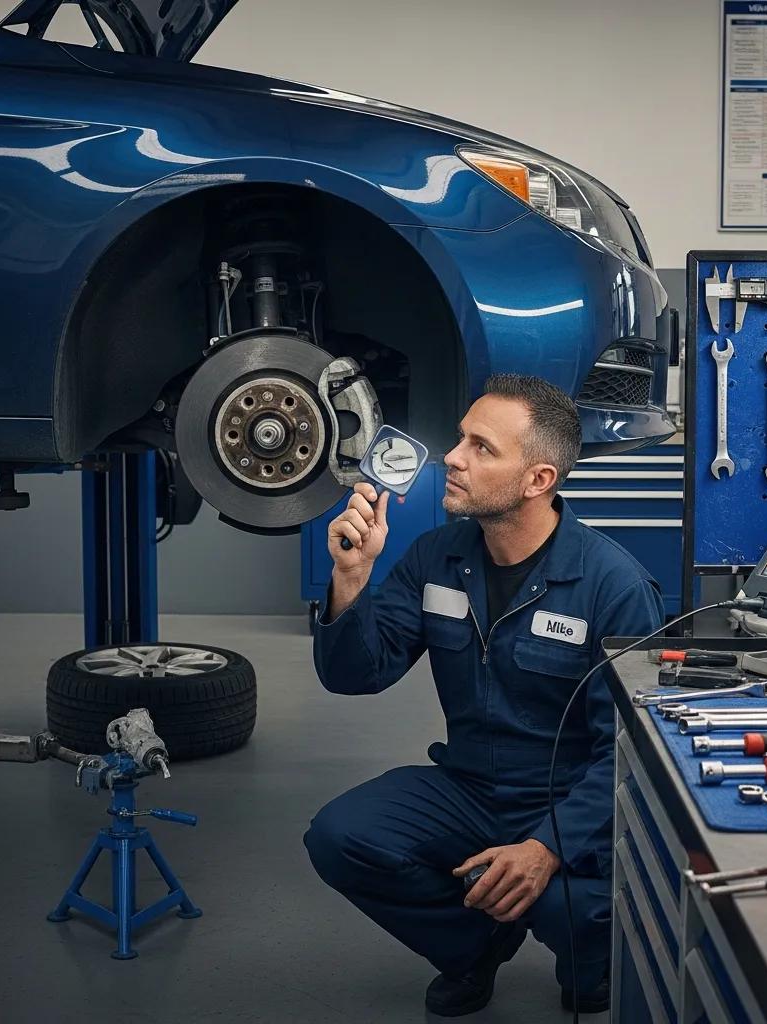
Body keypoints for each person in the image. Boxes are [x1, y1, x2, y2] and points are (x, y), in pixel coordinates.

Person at [304, 373, 664, 1017]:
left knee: (568, 907)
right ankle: (474, 947)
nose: (452, 457)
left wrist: (547, 845)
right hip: (469, 787)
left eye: (481, 447)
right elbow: (356, 673)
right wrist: (352, 578)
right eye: (460, 438)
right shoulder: (437, 557)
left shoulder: (615, 587)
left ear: (538, 479)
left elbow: (628, 752)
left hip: (569, 799)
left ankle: (587, 958)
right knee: (341, 836)